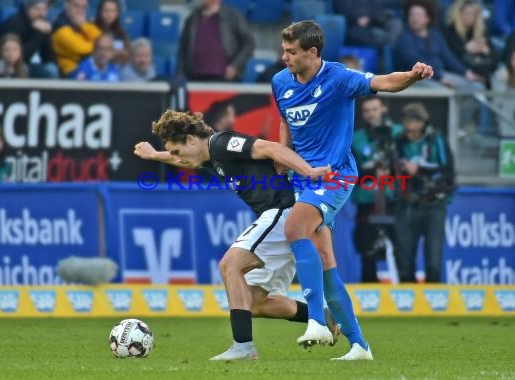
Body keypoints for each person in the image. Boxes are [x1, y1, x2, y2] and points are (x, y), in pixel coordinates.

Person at [272, 20, 433, 360]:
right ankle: (360, 345)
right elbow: (285, 119)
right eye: (284, 50)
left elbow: (384, 82)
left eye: (291, 52)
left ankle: (315, 320)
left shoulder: (339, 78)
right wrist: (282, 155)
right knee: (326, 261)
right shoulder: (280, 81)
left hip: (335, 176)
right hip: (303, 178)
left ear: (313, 53)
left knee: (294, 228)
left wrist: (413, 76)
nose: (283, 57)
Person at [133, 110, 337, 361]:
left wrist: (308, 171)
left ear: (191, 140)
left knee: (230, 265)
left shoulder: (221, 143)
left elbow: (271, 147)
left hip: (283, 212)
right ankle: (323, 316)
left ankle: (244, 347)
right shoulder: (211, 156)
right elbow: (184, 160)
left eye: (176, 150)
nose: (178, 159)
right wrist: (155, 156)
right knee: (253, 302)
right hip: (283, 218)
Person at [394, 103, 455, 283]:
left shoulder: (436, 140)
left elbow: (448, 171)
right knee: (405, 261)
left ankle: (434, 306)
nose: (409, 127)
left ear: (422, 123)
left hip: (434, 205)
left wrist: (420, 169)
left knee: (433, 262)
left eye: (413, 121)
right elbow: (393, 169)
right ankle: (407, 306)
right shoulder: (398, 141)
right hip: (406, 205)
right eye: (406, 121)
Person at [351, 96, 403, 283]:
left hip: (394, 201)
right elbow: (352, 172)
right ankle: (369, 294)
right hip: (367, 202)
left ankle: (406, 296)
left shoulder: (398, 133)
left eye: (375, 109)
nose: (371, 114)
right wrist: (373, 171)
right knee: (367, 250)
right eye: (367, 111)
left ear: (383, 109)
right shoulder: (356, 138)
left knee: (401, 249)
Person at [177, 0, 255, 82]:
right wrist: (180, 74)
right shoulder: (192, 18)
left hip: (224, 78)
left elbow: (249, 44)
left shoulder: (232, 16)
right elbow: (183, 49)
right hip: (196, 78)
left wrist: (235, 66)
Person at [0, 0, 58, 78]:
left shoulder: (41, 24)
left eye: (45, 9)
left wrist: (46, 34)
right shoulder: (15, 23)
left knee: (51, 68)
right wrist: (39, 34)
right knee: (50, 71)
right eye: (37, 9)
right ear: (27, 9)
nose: (42, 14)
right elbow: (17, 56)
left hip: (21, 65)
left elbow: (49, 58)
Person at [52, 0, 102, 77]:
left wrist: (85, 26)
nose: (80, 10)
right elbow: (81, 50)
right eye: (76, 6)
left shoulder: (85, 24)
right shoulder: (60, 26)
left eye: (83, 7)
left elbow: (102, 40)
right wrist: (84, 26)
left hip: (88, 68)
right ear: (67, 6)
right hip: (69, 72)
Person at [94, 0, 130, 65]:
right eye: (106, 11)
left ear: (117, 13)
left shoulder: (121, 32)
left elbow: (127, 53)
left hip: (117, 67)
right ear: (100, 12)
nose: (109, 14)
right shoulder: (92, 29)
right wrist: (115, 53)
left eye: (113, 11)